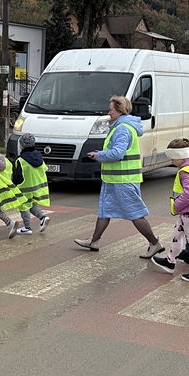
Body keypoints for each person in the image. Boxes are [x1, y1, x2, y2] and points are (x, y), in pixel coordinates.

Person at [74, 96, 163, 258]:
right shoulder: (120, 127)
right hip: (114, 179)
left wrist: (99, 155)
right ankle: (94, 241)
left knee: (135, 213)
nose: (108, 113)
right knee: (105, 210)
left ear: (120, 111)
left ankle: (154, 243)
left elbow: (117, 153)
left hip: (124, 180)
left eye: (111, 110)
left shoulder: (122, 128)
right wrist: (102, 154)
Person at [150, 138, 189, 283]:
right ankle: (170, 262)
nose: (172, 161)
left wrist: (177, 205)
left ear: (180, 156)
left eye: (173, 158)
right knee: (177, 234)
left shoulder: (185, 171)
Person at [11, 133, 51, 234]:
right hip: (37, 187)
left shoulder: (21, 160)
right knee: (31, 204)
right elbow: (45, 169)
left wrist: (14, 185)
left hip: (25, 188)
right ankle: (43, 218)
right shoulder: (39, 156)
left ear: (22, 146)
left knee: (24, 206)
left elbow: (18, 177)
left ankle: (27, 227)